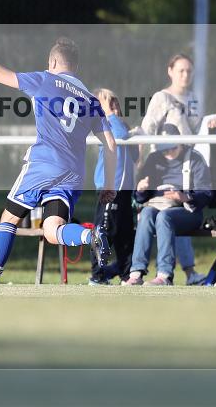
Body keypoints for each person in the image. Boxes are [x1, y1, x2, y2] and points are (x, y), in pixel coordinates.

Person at [0, 31, 116, 298]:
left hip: (43, 164)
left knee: (9, 219)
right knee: (51, 231)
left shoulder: (45, 80)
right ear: (76, 67)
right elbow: (111, 144)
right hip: (73, 173)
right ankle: (89, 237)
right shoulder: (91, 101)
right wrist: (109, 184)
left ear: (54, 63)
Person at [139, 53, 215, 285]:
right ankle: (148, 272)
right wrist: (143, 167)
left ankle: (189, 272)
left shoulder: (193, 99)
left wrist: (208, 126)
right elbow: (146, 129)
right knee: (165, 213)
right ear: (170, 71)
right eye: (181, 70)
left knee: (179, 212)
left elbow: (195, 131)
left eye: (189, 71)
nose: (185, 75)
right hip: (164, 164)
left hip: (187, 164)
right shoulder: (161, 98)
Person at [123, 124, 213, 286]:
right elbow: (141, 197)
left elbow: (206, 194)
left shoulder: (195, 158)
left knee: (164, 217)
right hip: (157, 207)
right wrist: (142, 189)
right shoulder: (154, 158)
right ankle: (136, 272)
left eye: (171, 148)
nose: (167, 153)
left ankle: (164, 275)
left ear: (179, 142)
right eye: (164, 149)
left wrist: (184, 196)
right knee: (146, 213)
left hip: (187, 211)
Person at [88, 88, 138, 285]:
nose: (114, 106)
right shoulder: (106, 123)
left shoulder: (122, 126)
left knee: (126, 233)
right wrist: (109, 113)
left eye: (115, 102)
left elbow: (134, 156)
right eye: (109, 102)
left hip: (125, 189)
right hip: (110, 187)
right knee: (105, 231)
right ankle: (98, 275)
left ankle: (126, 275)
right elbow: (118, 135)